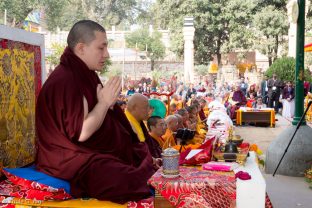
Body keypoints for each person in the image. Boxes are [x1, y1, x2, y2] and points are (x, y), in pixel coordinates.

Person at [35, 20, 155, 203]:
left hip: (89, 150)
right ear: (81, 48)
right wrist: (104, 103)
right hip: (67, 158)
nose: (106, 54)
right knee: (125, 180)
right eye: (101, 48)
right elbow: (82, 133)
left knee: (139, 155)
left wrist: (108, 104)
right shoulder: (66, 80)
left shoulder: (85, 73)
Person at [126, 93, 163, 160]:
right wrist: (151, 160)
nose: (149, 110)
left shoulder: (139, 122)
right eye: (145, 107)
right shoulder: (126, 125)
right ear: (134, 108)